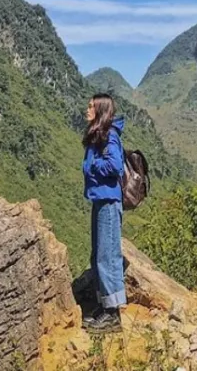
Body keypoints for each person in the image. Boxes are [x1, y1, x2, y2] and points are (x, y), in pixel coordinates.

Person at [82, 93, 127, 332]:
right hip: (100, 200)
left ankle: (113, 315)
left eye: (90, 107)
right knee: (98, 256)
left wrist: (92, 165)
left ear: (101, 110)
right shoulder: (99, 135)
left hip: (109, 203)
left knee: (108, 257)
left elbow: (115, 166)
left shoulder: (110, 136)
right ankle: (104, 305)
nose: (86, 110)